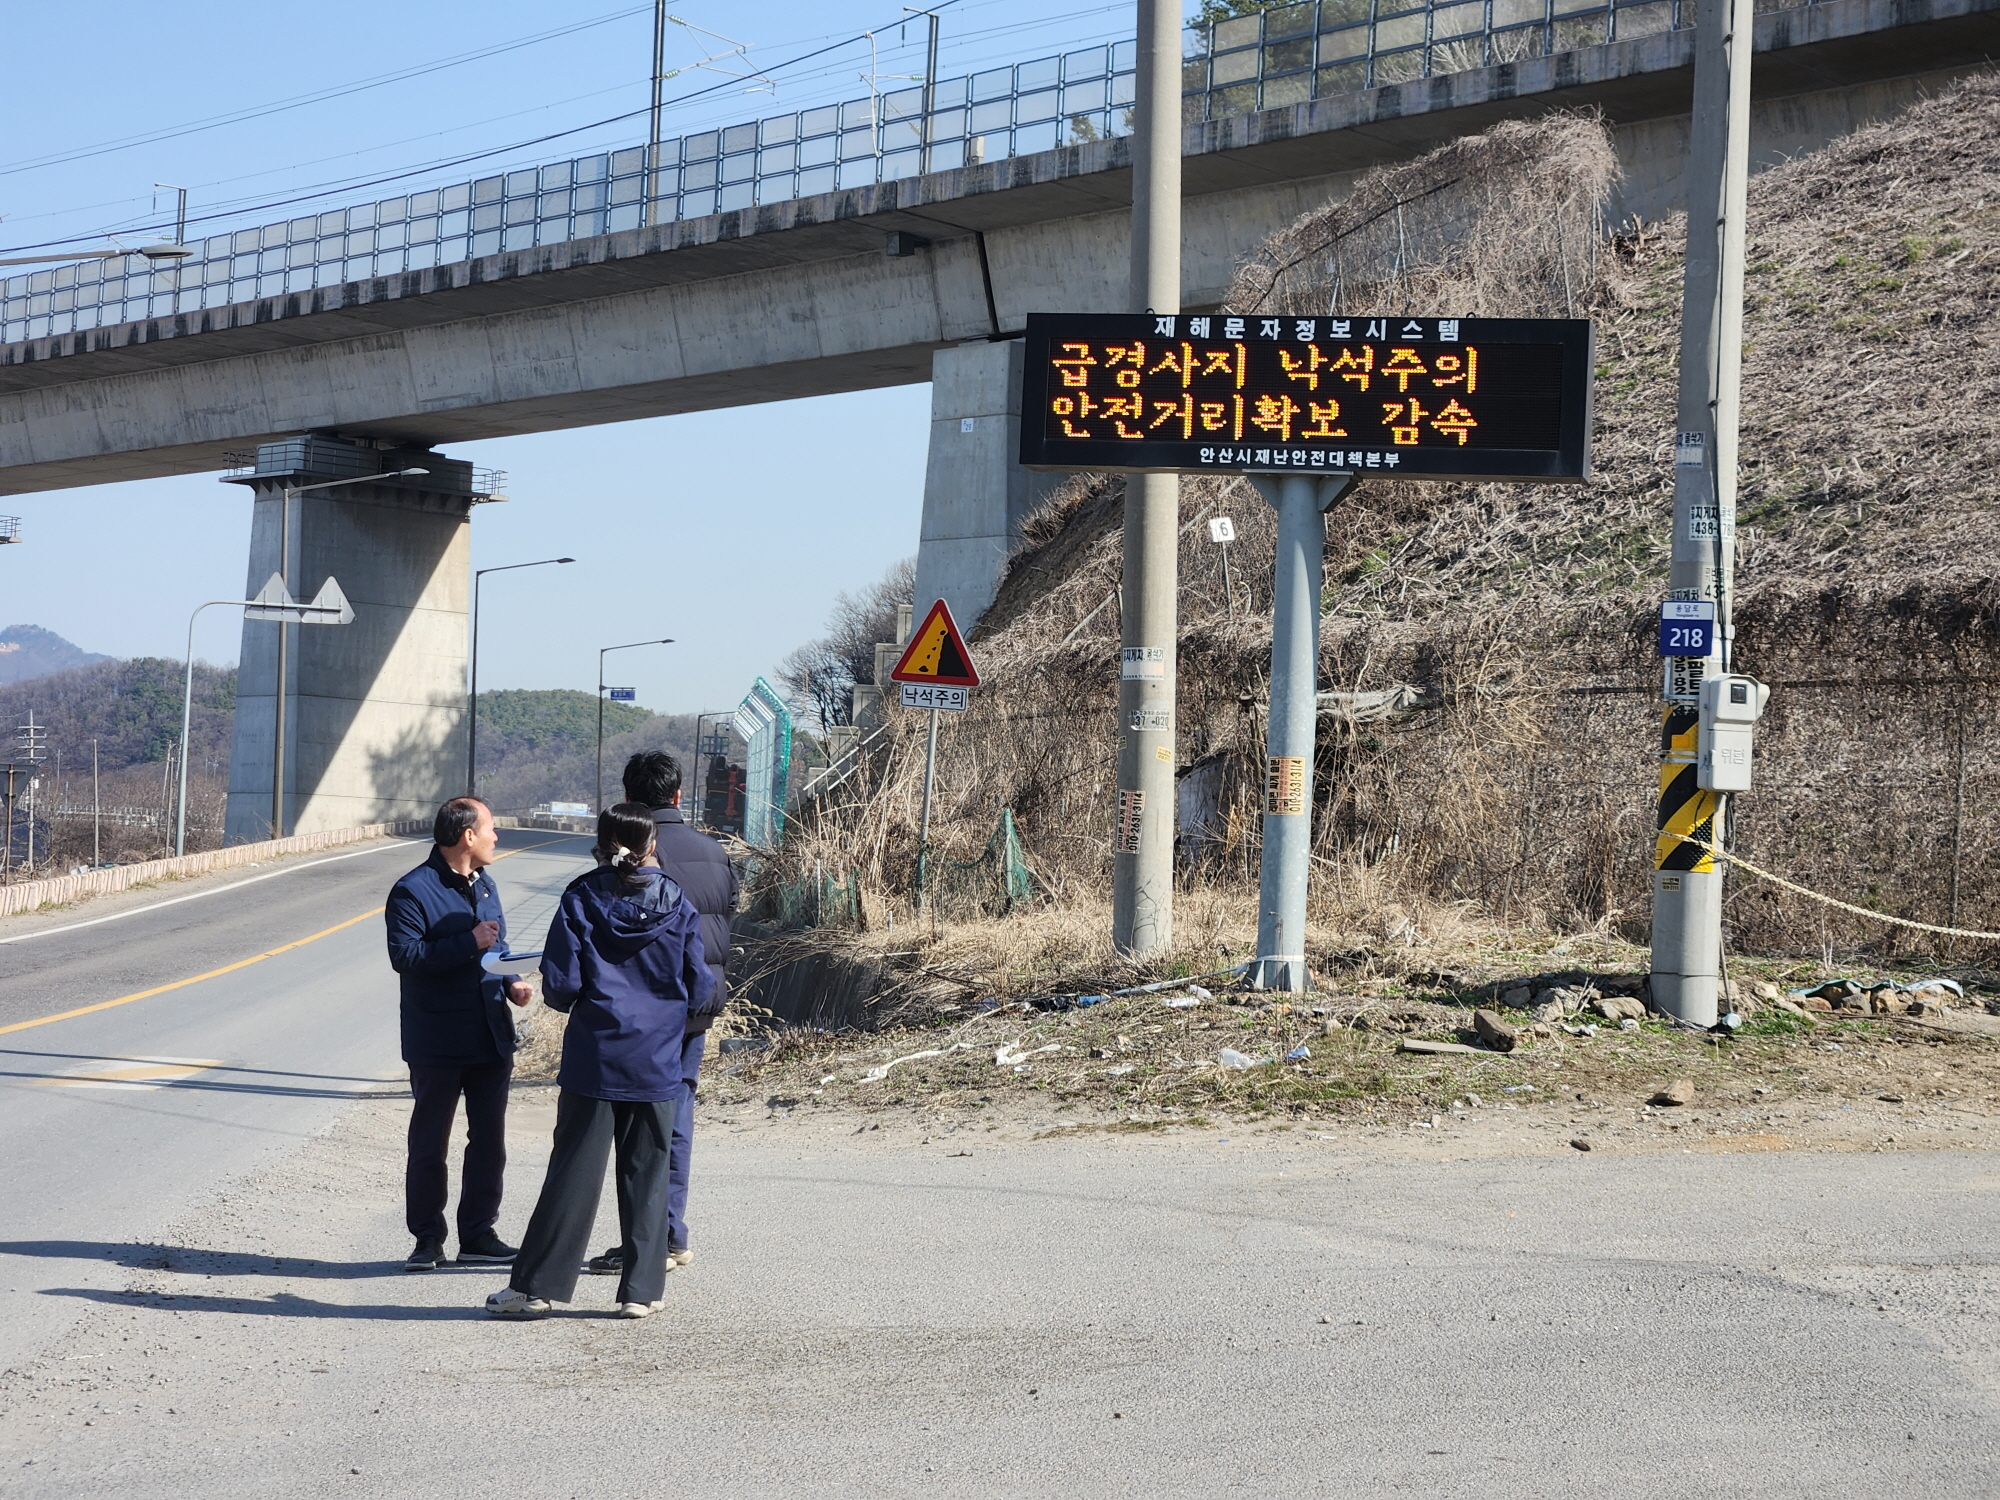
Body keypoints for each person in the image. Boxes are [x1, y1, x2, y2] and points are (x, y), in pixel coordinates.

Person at [486, 804, 713, 1320]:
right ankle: (642, 1291)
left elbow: (562, 986)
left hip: (596, 1056)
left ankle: (537, 1287)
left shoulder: (582, 896)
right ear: (651, 845)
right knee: (648, 1176)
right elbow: (700, 986)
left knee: (573, 1174)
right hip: (657, 1058)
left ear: (604, 843)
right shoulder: (676, 902)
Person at [582, 750, 736, 1282]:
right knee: (676, 1119)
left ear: (627, 797)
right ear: (677, 795)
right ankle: (669, 1235)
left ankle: (650, 1242)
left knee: (636, 1130)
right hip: (696, 1006)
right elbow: (726, 919)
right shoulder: (714, 851)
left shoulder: (627, 855)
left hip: (639, 1012)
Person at [384, 796, 532, 1272]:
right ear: (467, 835)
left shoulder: (485, 884)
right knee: (430, 1142)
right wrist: (467, 942)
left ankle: (478, 1234)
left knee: (489, 1139)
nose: (496, 837)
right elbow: (405, 957)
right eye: (490, 828)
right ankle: (427, 1238)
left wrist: (513, 982)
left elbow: (498, 944)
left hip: (490, 1034)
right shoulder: (412, 891)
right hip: (437, 1039)